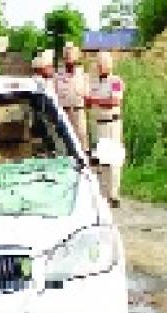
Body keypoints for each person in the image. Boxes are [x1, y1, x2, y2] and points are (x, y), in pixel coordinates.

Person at [86, 51, 125, 208]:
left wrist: (93, 100)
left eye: (101, 64)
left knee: (113, 159)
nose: (98, 67)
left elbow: (114, 101)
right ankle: (104, 194)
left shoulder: (116, 81)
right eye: (98, 64)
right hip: (98, 123)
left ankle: (114, 194)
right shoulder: (94, 83)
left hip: (111, 124)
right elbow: (89, 102)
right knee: (102, 160)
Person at [56, 42, 90, 152]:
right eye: (66, 56)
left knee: (82, 141)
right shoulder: (57, 76)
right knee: (63, 141)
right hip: (63, 113)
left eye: (71, 56)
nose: (69, 60)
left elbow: (87, 96)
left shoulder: (84, 76)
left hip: (78, 112)